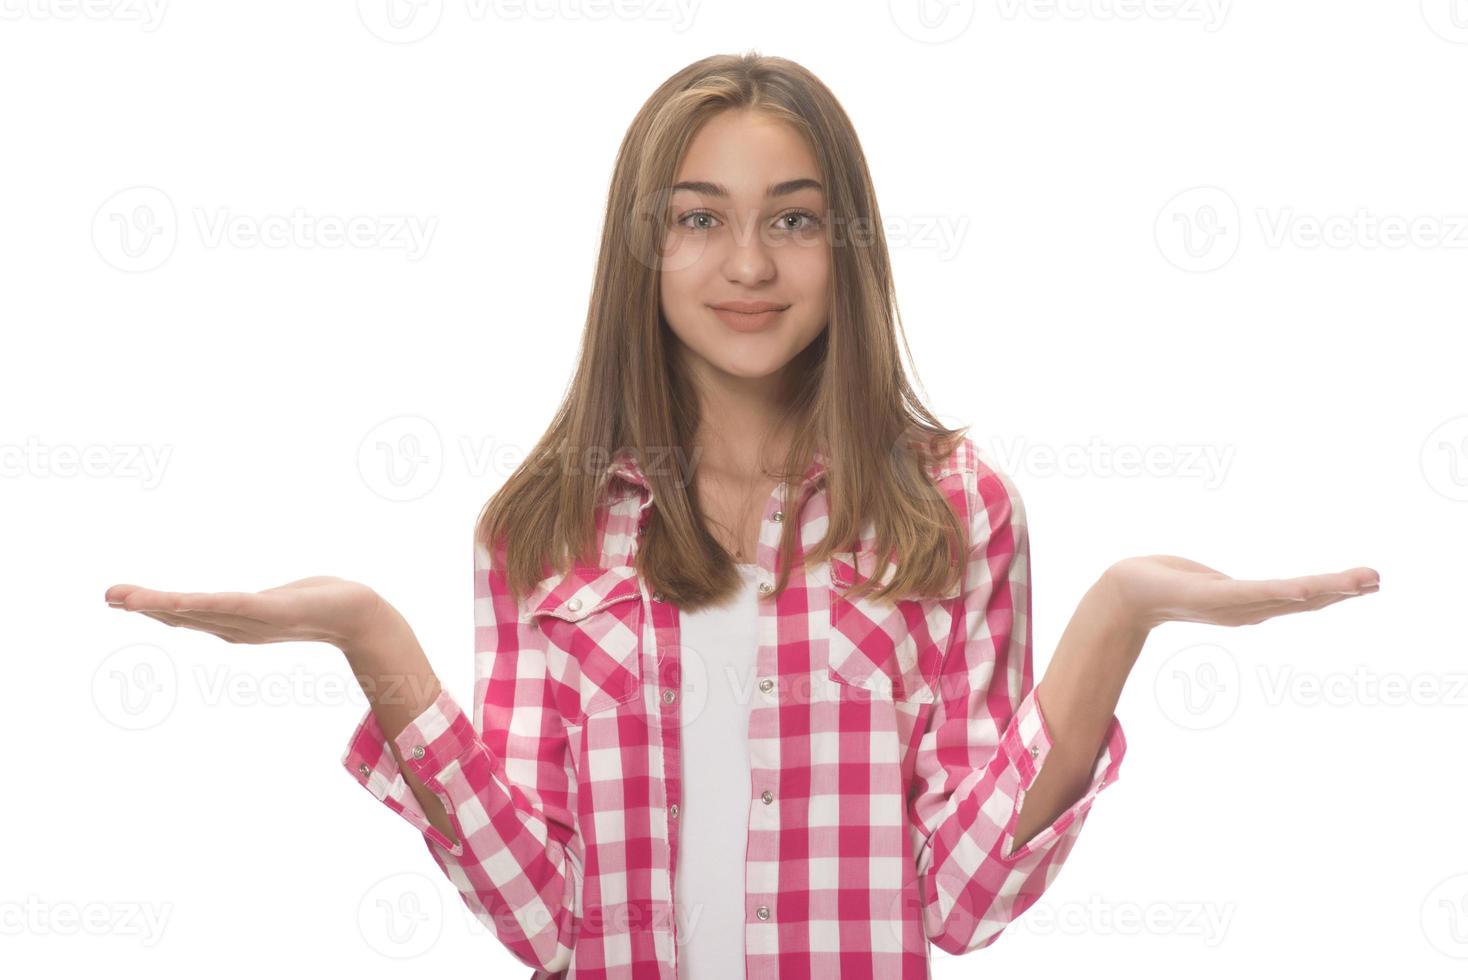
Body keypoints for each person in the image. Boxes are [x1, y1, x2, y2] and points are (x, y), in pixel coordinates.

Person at [103, 51, 1379, 980]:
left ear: (849, 244)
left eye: (794, 220)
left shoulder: (952, 510)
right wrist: (368, 636)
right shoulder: (540, 531)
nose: (751, 265)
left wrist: (1121, 612)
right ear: (640, 249)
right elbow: (547, 920)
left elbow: (962, 901)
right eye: (700, 220)